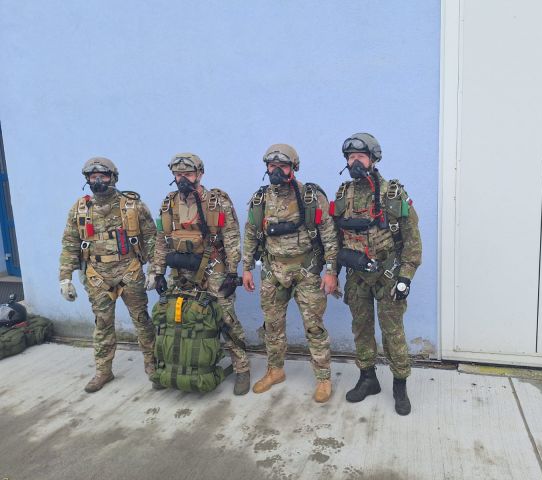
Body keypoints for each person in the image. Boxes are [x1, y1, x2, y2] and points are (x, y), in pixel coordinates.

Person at [331, 133, 422, 415]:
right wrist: (332, 272)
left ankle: (400, 385)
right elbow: (334, 239)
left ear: (373, 158)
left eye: (360, 156)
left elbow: (412, 240)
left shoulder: (393, 194)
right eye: (350, 157)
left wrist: (405, 276)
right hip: (356, 277)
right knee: (361, 329)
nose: (354, 162)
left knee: (393, 332)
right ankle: (368, 378)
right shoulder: (342, 194)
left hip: (387, 276)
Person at [146, 153, 251, 395]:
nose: (183, 178)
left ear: (200, 174)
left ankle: (242, 368)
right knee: (175, 319)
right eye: (178, 174)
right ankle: (174, 366)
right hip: (179, 269)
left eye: (188, 174)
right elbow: (161, 239)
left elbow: (231, 238)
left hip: (213, 268)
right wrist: (157, 272)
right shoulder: (168, 203)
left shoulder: (217, 202)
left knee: (226, 318)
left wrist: (232, 273)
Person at [242, 144, 338, 403]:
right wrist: (247, 268)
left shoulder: (310, 197)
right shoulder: (260, 199)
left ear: (293, 167)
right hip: (273, 271)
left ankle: (323, 378)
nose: (276, 170)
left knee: (314, 327)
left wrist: (331, 271)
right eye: (271, 165)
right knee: (272, 326)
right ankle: (275, 370)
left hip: (306, 271)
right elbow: (251, 234)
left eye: (282, 166)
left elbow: (329, 235)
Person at [59, 157, 157, 393]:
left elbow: (152, 238)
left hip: (130, 272)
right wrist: (65, 277)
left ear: (113, 177)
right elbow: (70, 244)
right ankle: (103, 371)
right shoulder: (80, 209)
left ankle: (153, 366)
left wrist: (155, 269)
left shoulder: (133, 206)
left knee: (142, 320)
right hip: (97, 276)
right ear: (87, 179)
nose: (98, 181)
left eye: (103, 176)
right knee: (102, 324)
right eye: (93, 177)